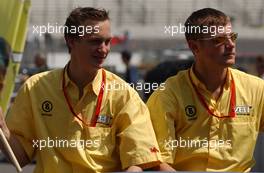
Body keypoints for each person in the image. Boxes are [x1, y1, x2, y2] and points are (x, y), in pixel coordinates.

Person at [0, 7, 164, 173]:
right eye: (95, 41)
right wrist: (2, 129)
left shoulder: (125, 95)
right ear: (71, 41)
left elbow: (138, 161)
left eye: (107, 42)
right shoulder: (35, 88)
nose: (104, 49)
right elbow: (19, 158)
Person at [147, 8, 264, 172]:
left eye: (233, 37)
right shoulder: (167, 95)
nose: (230, 45)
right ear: (194, 47)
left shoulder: (257, 89)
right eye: (219, 40)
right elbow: (157, 161)